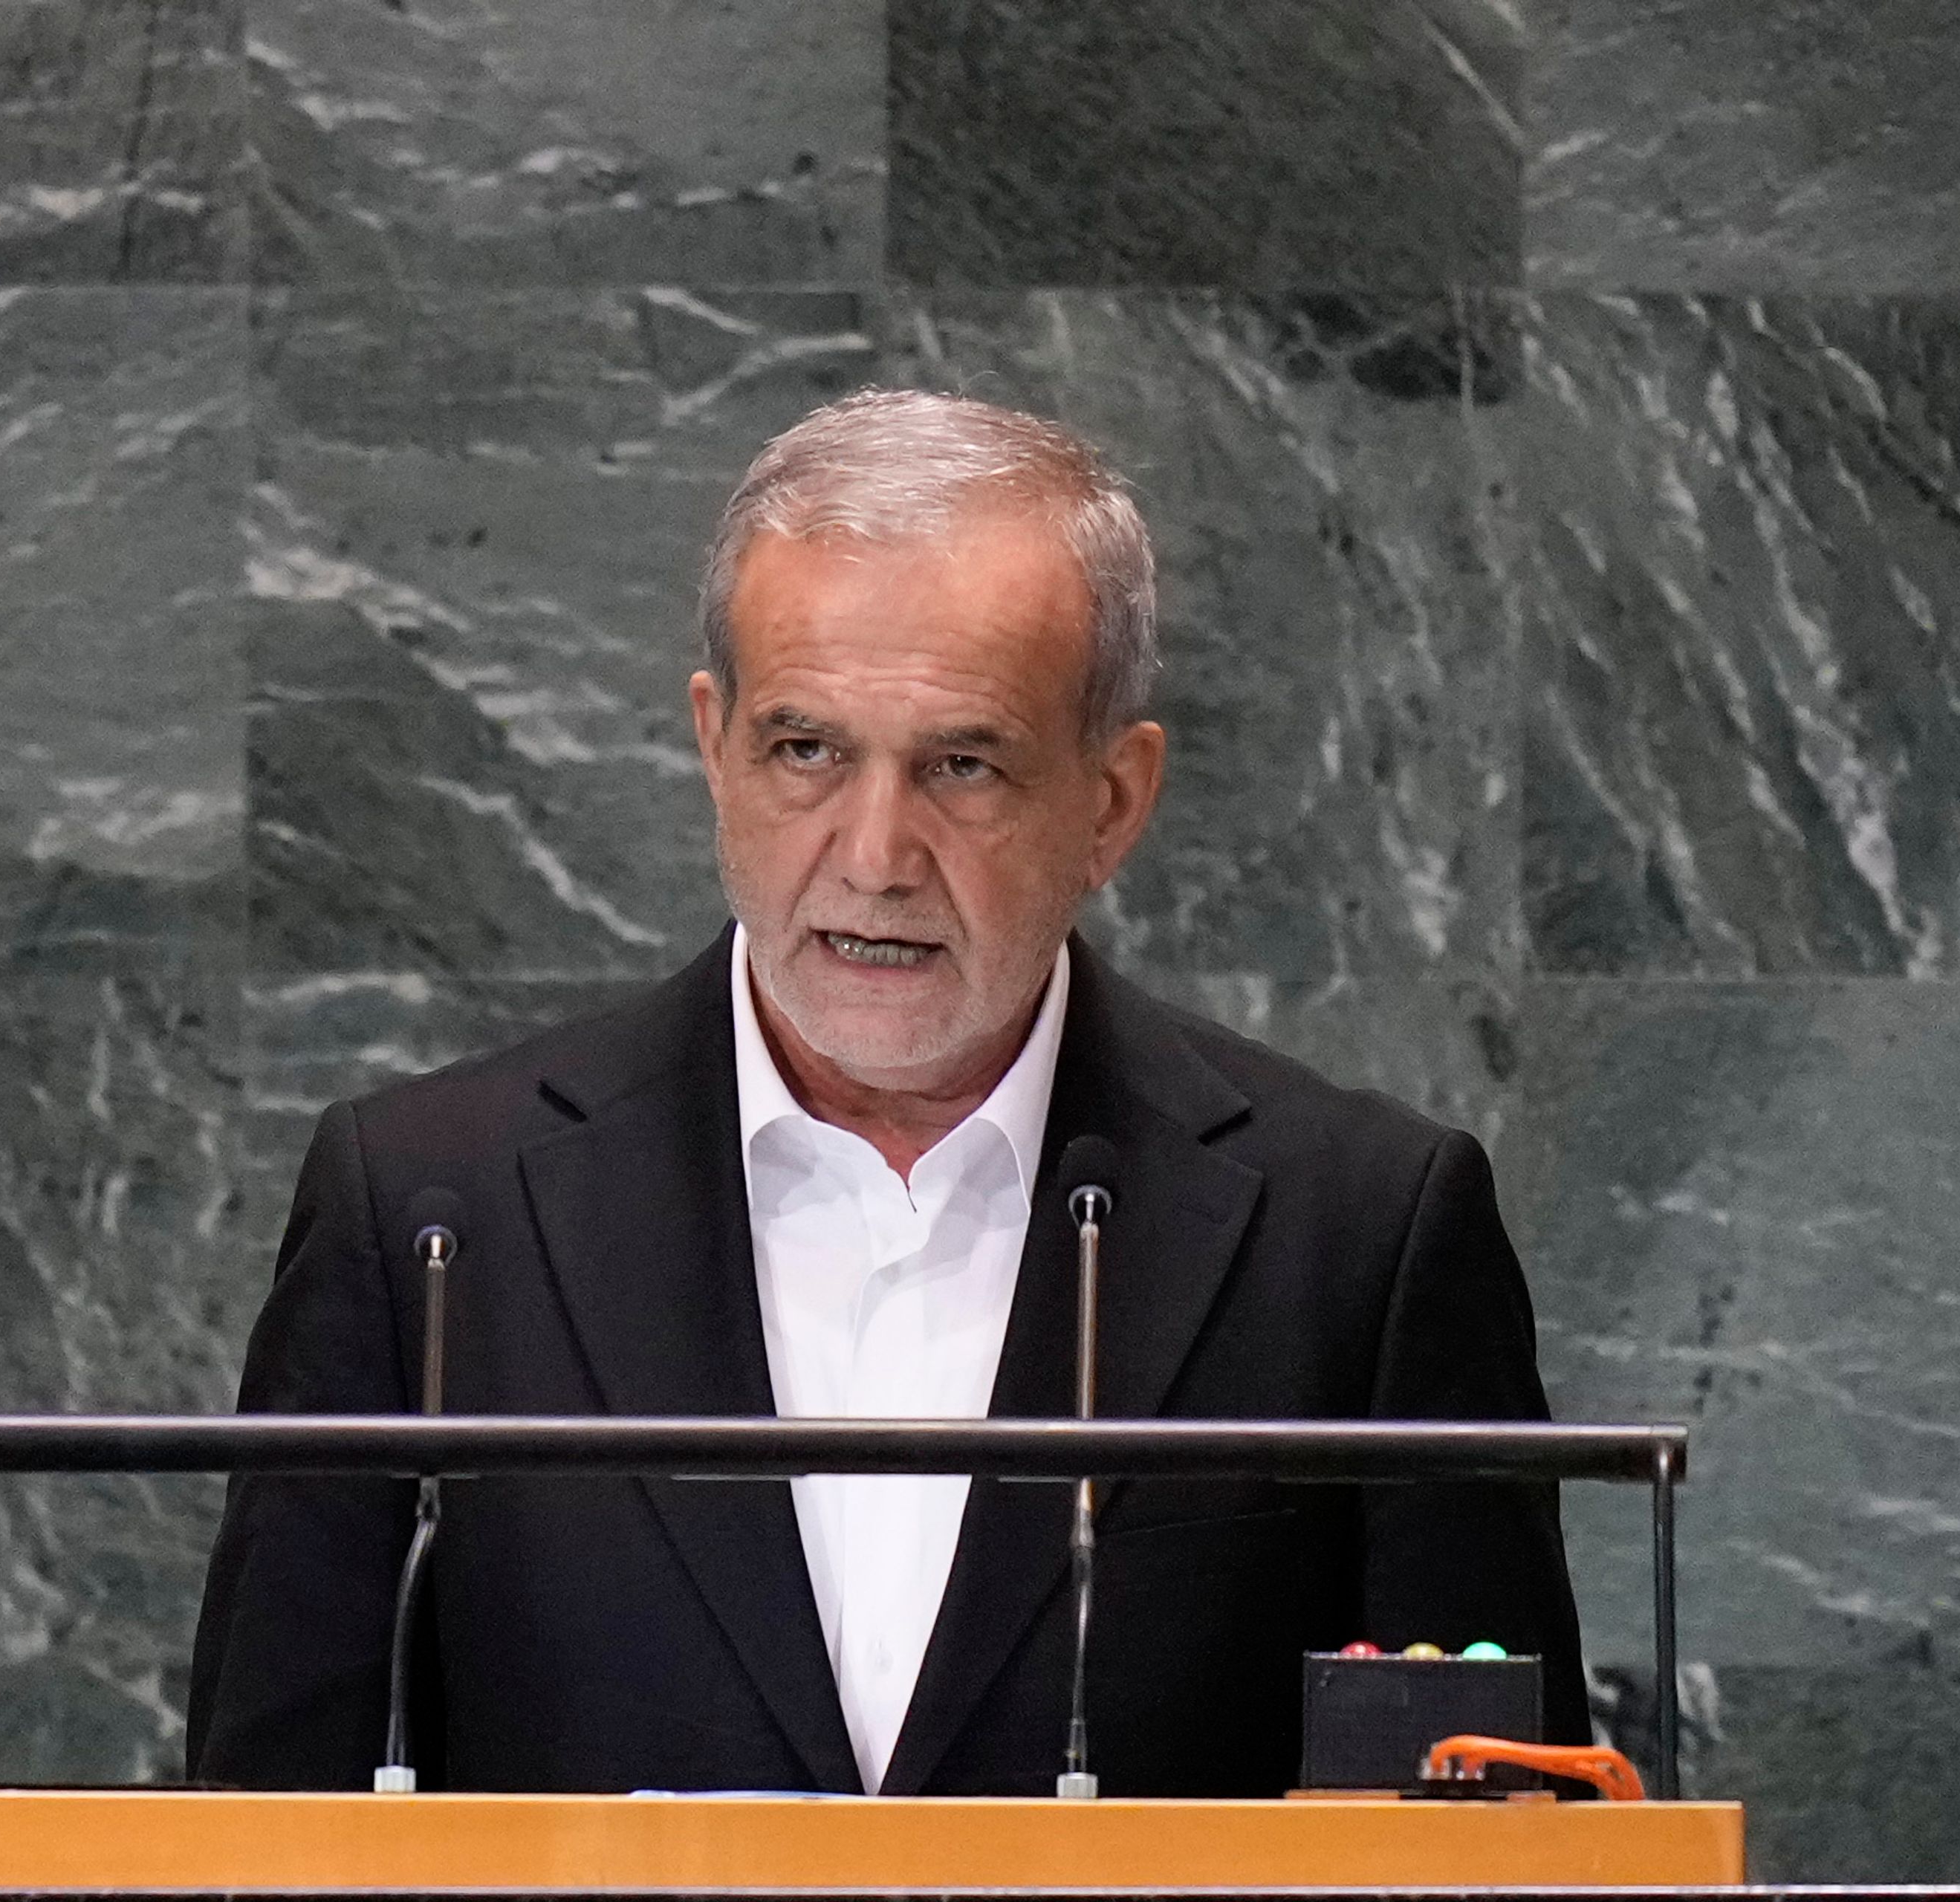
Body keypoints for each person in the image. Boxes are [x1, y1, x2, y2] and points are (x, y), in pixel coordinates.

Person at [186, 389, 1585, 1796]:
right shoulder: (433, 1218)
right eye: (807, 750)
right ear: (711, 747)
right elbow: (254, 1843)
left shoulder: (1356, 1236)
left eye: (962, 766)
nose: (872, 855)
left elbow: (1495, 1857)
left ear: (1113, 802)